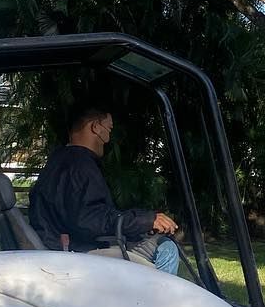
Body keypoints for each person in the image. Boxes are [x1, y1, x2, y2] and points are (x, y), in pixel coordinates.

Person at [28, 106, 181, 274]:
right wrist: (144, 220)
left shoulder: (60, 160)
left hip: (67, 243)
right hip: (78, 252)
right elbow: (89, 220)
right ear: (96, 127)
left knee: (158, 243)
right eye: (108, 129)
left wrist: (141, 225)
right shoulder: (80, 165)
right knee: (167, 250)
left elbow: (87, 213)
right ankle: (154, 299)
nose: (108, 138)